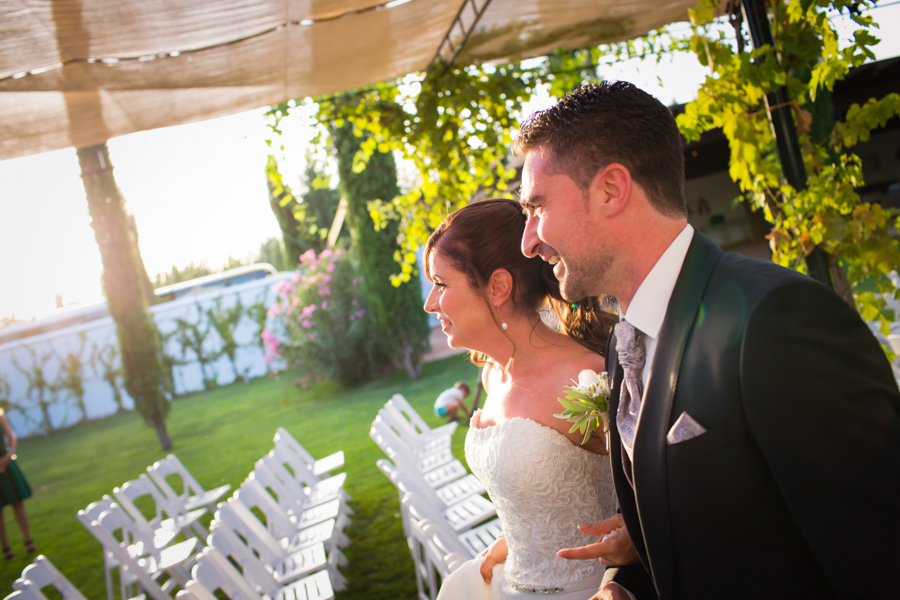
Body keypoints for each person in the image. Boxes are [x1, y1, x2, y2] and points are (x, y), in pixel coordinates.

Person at [515, 81, 900, 599]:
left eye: (537, 206)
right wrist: (628, 586)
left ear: (611, 189)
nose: (529, 239)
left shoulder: (777, 321)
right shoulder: (623, 341)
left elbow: (878, 559)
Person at [424, 198, 620, 600]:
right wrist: (517, 539)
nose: (430, 303)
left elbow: (647, 502)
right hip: (512, 582)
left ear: (498, 287)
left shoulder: (584, 379)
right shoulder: (492, 374)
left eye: (441, 284)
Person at [0, 408, 34, 561]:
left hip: (6, 463)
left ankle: (28, 540)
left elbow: (11, 436)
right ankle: (6, 548)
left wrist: (9, 455)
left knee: (18, 503)